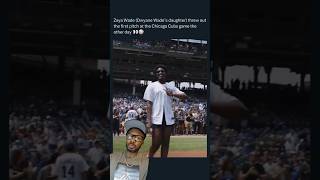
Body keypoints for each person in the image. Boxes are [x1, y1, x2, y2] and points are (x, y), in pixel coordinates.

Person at [143, 64, 187, 158]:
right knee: (156, 142)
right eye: (158, 72)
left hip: (168, 118)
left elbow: (184, 97)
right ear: (156, 74)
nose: (160, 73)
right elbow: (149, 104)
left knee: (166, 143)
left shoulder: (170, 86)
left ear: (166, 73)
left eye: (162, 71)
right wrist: (149, 121)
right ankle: (150, 156)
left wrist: (173, 94)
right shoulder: (152, 86)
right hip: (156, 118)